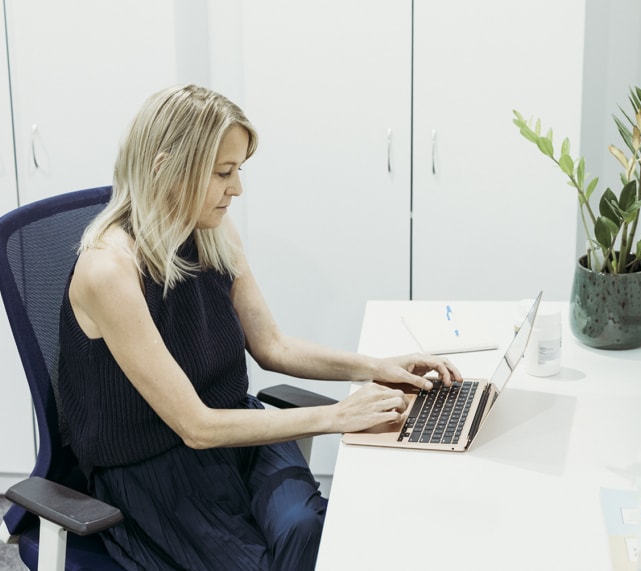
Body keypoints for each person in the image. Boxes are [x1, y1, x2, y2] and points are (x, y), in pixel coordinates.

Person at [57, 84, 461, 570]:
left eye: (238, 171)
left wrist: (378, 366)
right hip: (157, 470)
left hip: (239, 434)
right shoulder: (109, 271)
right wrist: (335, 416)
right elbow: (196, 426)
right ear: (165, 167)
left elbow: (272, 346)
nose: (237, 189)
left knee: (309, 531)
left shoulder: (212, 231)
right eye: (223, 172)